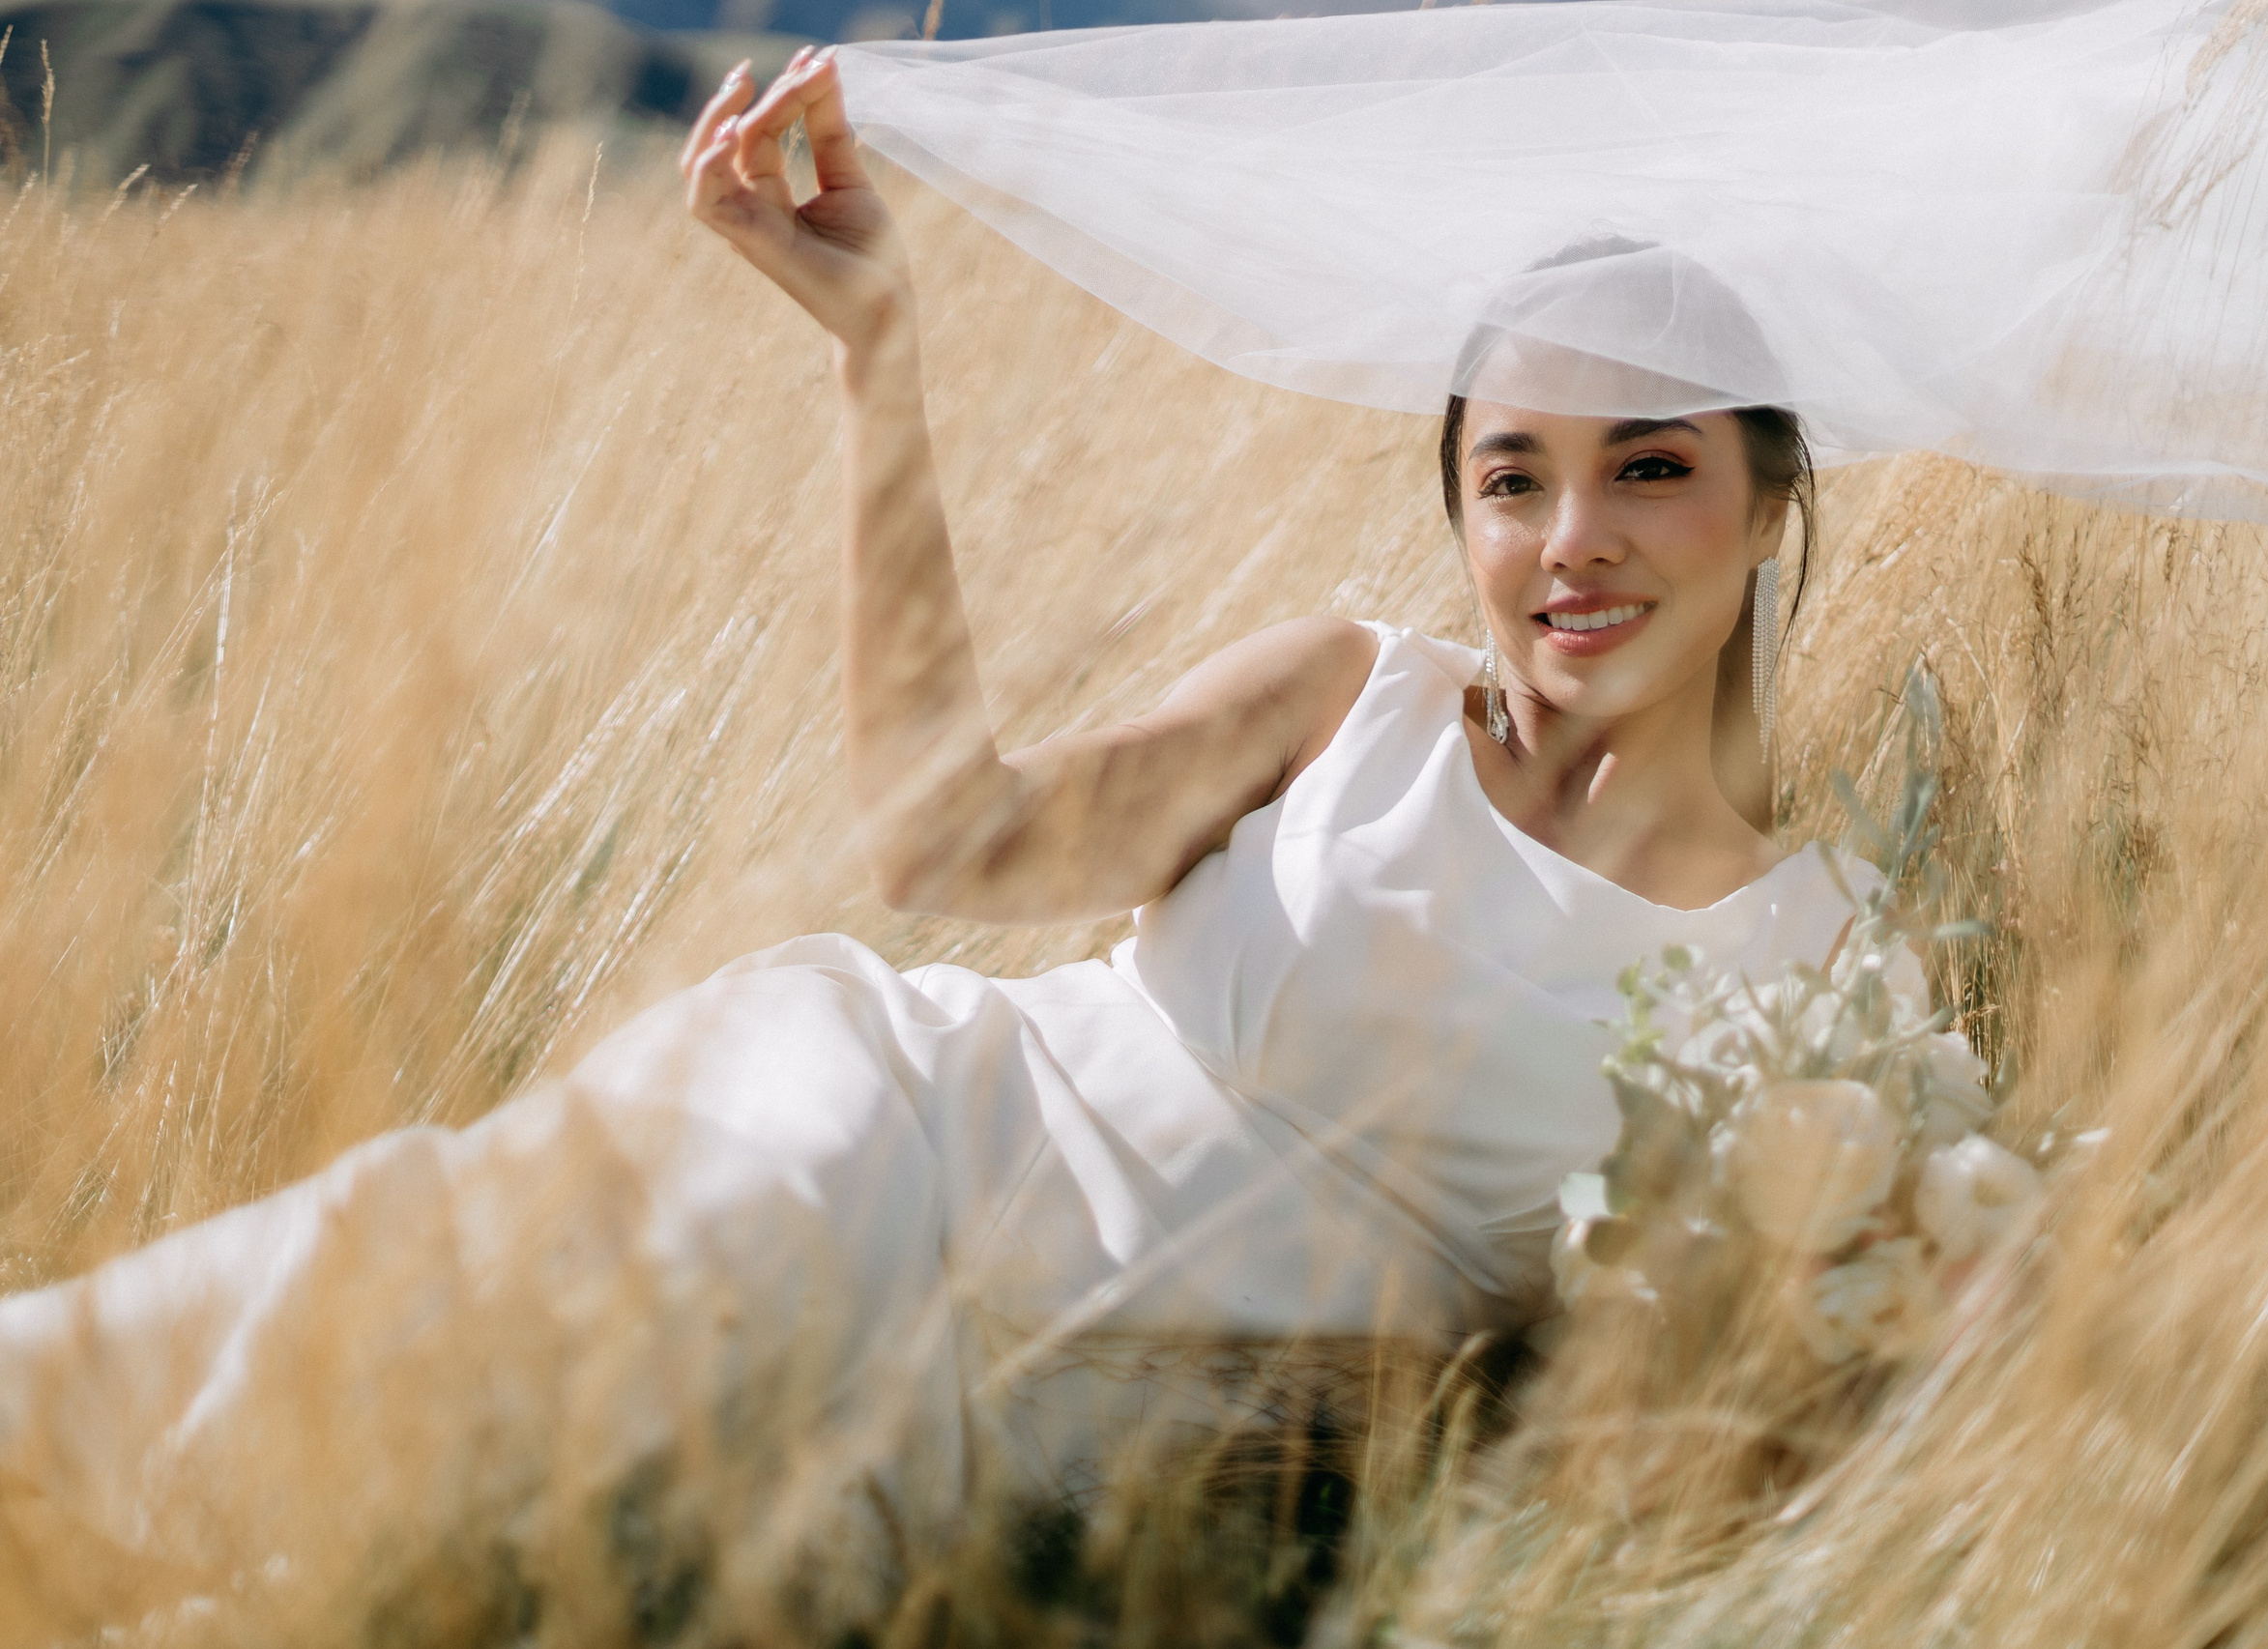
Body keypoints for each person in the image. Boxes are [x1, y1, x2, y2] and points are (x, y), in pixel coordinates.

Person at [0, 49, 1906, 1625]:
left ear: (1765, 504)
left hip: (1091, 1444)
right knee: (369, 1338)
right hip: (871, 1156)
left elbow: (1710, 1413)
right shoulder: (1356, 700)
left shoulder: (1823, 971)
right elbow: (946, 840)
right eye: (1511, 478)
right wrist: (876, 354)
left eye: (1647, 467)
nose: (1569, 540)